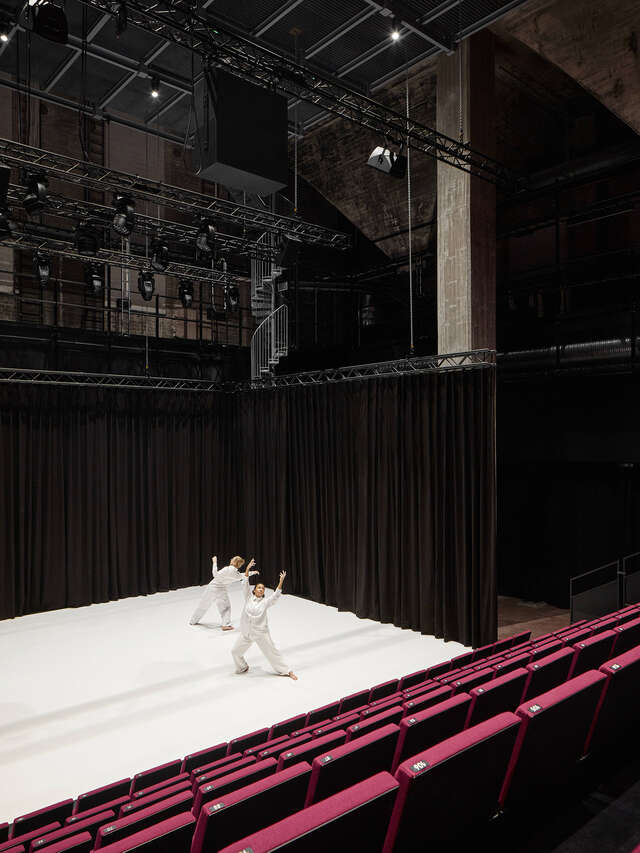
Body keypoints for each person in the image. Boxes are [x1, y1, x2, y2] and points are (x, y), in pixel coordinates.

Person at [231, 564, 297, 680]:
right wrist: (247, 569)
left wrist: (281, 581)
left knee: (272, 652)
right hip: (246, 632)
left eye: (263, 588)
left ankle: (287, 671)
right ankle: (243, 667)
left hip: (260, 633)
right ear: (254, 590)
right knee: (235, 651)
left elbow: (276, 596)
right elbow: (245, 583)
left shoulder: (265, 602)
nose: (261, 589)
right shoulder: (248, 598)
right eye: (259, 587)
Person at [189, 555, 258, 630]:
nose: (231, 559)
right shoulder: (236, 574)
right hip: (221, 590)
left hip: (212, 588)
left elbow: (215, 574)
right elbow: (243, 576)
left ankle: (193, 621)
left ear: (233, 562)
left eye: (232, 559)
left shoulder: (227, 569)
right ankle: (225, 624)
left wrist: (214, 562)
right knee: (226, 608)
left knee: (203, 605)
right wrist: (252, 572)